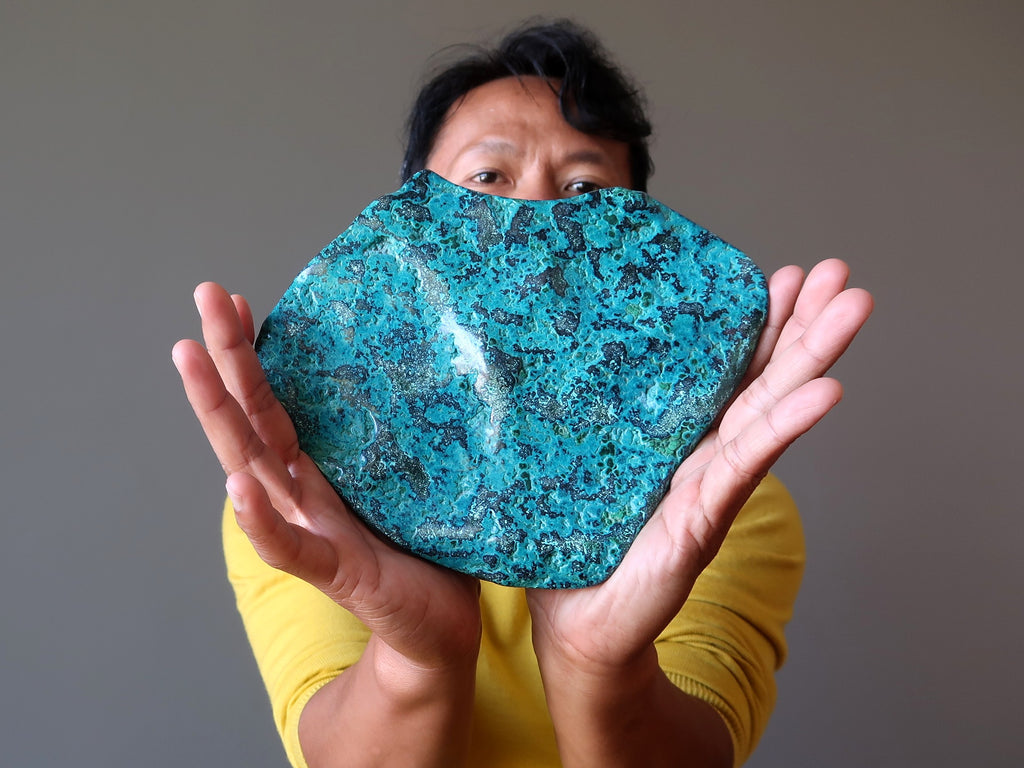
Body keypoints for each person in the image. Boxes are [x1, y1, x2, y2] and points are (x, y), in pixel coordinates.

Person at [173, 19, 873, 768]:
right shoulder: (309, 492)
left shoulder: (721, 509)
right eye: (488, 179)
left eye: (584, 188)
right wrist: (420, 656)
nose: (538, 214)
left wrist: (595, 662)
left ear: (643, 246)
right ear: (412, 221)